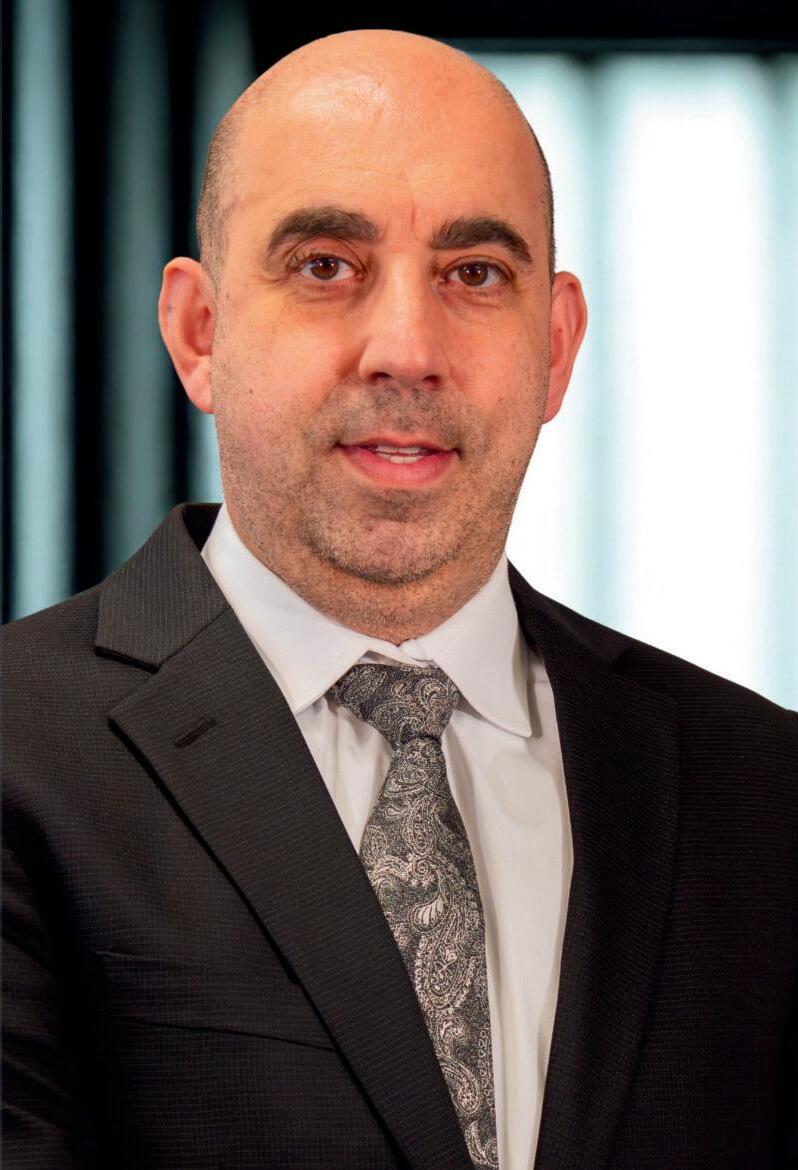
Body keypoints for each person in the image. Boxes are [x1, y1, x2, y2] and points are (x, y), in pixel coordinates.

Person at [2, 27, 796, 1170]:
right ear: (200, 333)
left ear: (556, 346)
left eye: (475, 275)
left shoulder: (764, 793)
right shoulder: (19, 751)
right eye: (326, 265)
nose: (408, 350)